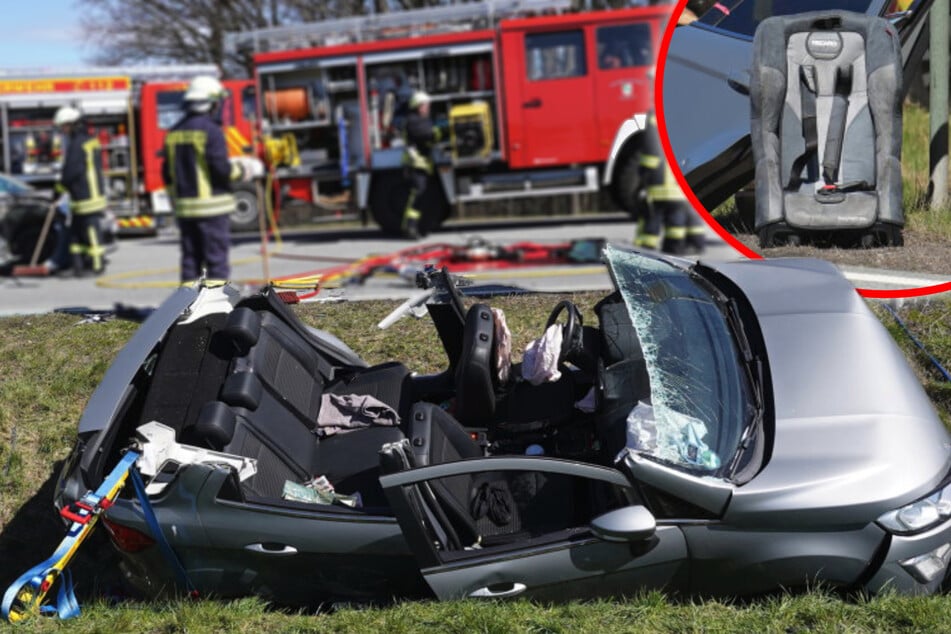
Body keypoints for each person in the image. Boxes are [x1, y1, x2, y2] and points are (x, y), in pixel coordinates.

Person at [162, 76, 246, 283]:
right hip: (212, 210)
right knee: (216, 261)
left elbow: (167, 172)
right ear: (212, 103)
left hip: (185, 209)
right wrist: (241, 170)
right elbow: (220, 169)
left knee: (190, 261)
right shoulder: (211, 130)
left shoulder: (174, 132)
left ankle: (187, 307)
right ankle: (215, 308)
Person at [635, 111, 705, 255]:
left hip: (660, 185)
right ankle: (674, 249)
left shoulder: (654, 119)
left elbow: (650, 151)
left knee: (653, 218)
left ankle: (646, 251)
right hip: (678, 189)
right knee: (676, 223)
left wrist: (643, 173)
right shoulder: (678, 118)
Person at [54, 105, 108, 276]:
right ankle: (78, 265)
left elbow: (71, 171)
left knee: (91, 231)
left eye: (63, 126)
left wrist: (59, 188)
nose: (62, 130)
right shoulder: (88, 140)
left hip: (86, 195)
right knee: (77, 233)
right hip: (86, 194)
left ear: (71, 124)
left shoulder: (78, 144)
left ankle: (97, 265)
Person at [400, 90, 443, 240]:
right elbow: (429, 134)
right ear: (419, 106)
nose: (428, 108)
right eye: (426, 105)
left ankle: (421, 225)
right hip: (416, 164)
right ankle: (410, 227)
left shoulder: (419, 119)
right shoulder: (414, 121)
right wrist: (438, 131)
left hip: (422, 164)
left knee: (424, 195)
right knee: (418, 194)